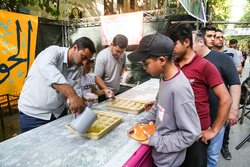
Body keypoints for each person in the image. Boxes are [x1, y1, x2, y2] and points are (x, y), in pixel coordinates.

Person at [127, 33, 201, 167]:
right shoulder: (164, 78)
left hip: (170, 161)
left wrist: (155, 141)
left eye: (146, 63)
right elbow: (158, 106)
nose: (144, 68)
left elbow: (190, 134)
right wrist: (140, 124)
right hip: (160, 155)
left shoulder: (179, 88)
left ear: (161, 60)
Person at [165, 23, 232, 167]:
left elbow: (226, 99)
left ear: (187, 42)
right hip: (176, 133)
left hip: (197, 135)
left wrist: (214, 130)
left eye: (174, 45)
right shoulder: (172, 65)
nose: (170, 50)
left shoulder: (205, 66)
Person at [18, 37, 96, 132]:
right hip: (33, 115)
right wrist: (72, 95)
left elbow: (77, 90)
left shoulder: (78, 70)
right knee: (33, 145)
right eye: (83, 57)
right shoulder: (52, 52)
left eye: (87, 60)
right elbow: (51, 74)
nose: (84, 63)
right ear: (75, 47)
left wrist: (77, 104)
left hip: (58, 113)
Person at [193, 29, 241, 166]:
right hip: (196, 119)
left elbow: (235, 83)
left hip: (217, 117)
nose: (213, 39)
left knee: (212, 156)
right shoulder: (190, 60)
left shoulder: (222, 58)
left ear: (200, 41)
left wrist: (233, 110)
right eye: (210, 36)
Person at [213, 29, 242, 160]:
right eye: (217, 37)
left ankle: (225, 146)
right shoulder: (207, 54)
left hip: (227, 90)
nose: (220, 39)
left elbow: (239, 68)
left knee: (226, 120)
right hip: (212, 95)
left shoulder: (231, 52)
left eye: (221, 37)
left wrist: (224, 68)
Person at [94, 34, 129, 102]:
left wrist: (125, 74)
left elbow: (123, 66)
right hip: (104, 94)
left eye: (121, 52)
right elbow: (97, 77)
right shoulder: (102, 56)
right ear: (111, 45)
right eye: (117, 51)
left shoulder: (123, 54)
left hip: (117, 90)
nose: (119, 54)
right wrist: (107, 90)